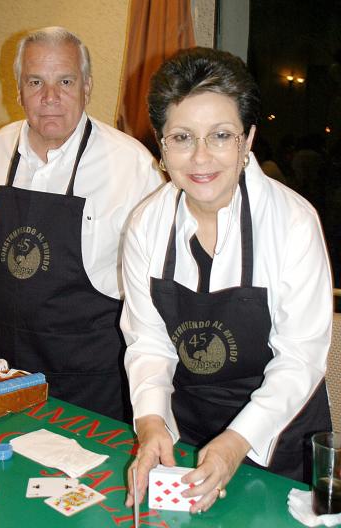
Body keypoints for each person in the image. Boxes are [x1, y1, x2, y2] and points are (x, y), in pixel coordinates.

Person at [121, 47, 333, 513]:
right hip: (191, 430)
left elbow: (301, 356)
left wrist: (237, 441)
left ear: (248, 139)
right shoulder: (145, 225)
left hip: (279, 438)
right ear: (161, 144)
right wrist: (152, 421)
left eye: (220, 135)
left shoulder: (293, 222)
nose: (200, 158)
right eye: (181, 137)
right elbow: (149, 342)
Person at [0, 27, 162, 422]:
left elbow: (155, 288)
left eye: (65, 81)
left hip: (87, 375)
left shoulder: (133, 166)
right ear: (18, 91)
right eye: (36, 82)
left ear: (87, 87)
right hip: (1, 363)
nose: (50, 97)